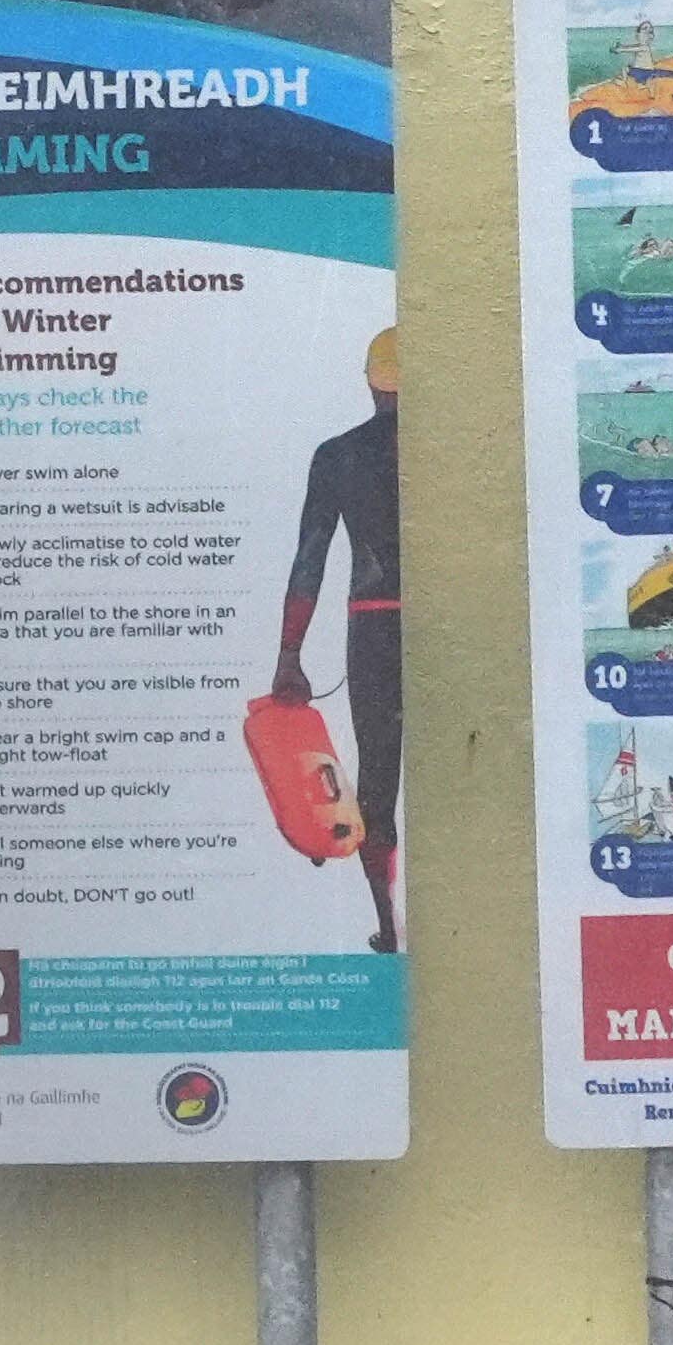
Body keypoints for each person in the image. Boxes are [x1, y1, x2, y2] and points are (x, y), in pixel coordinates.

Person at [269, 328, 403, 953]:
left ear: (371, 380)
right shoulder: (458, 452)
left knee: (377, 781)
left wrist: (290, 656)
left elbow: (309, 562)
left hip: (376, 623)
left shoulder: (339, 455)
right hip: (448, 625)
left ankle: (388, 924)